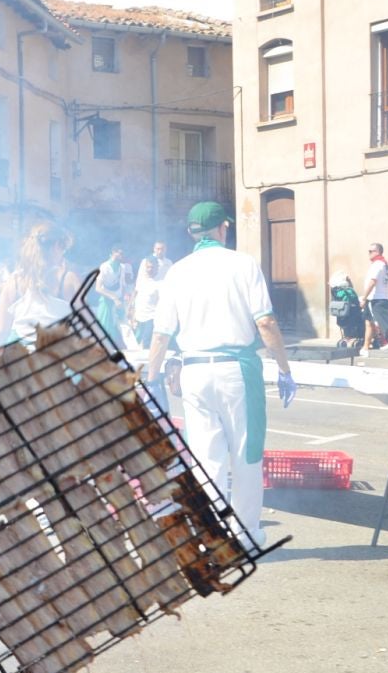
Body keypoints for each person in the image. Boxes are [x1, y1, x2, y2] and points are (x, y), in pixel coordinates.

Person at [144, 202, 294, 548]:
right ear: (223, 229)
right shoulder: (243, 264)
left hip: (194, 372)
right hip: (236, 370)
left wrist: (152, 378)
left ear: (191, 233)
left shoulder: (177, 271)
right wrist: (284, 368)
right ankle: (246, 536)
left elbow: (161, 334)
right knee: (245, 455)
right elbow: (266, 322)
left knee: (205, 459)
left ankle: (208, 536)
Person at [0, 222, 78, 348]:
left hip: (20, 355)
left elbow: (1, 328)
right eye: (64, 248)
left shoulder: (14, 281)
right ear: (56, 246)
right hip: (56, 354)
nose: (63, 254)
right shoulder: (68, 279)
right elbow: (85, 323)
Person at [363, 243, 388, 354]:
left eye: (371, 251)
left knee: (386, 325)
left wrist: (364, 298)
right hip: (380, 297)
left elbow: (373, 281)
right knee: (369, 323)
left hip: (375, 299)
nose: (369, 253)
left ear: (378, 252)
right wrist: (387, 295)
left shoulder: (377, 265)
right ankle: (365, 348)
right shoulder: (386, 266)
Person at [132, 241, 170, 346]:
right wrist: (131, 308)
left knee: (147, 340)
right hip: (141, 311)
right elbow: (137, 288)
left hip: (155, 312)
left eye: (162, 249)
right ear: (154, 249)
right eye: (158, 249)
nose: (160, 251)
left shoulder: (168, 264)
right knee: (137, 340)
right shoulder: (145, 263)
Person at [93, 244, 129, 343]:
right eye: (119, 253)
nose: (121, 256)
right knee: (103, 328)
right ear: (113, 253)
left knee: (121, 328)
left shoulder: (122, 267)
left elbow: (122, 285)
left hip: (118, 302)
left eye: (123, 254)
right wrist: (113, 297)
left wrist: (124, 299)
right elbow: (98, 288)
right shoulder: (105, 266)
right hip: (106, 301)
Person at [328, 274, 366, 349]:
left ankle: (347, 337)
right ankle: (355, 337)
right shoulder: (349, 291)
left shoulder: (335, 291)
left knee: (347, 324)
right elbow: (355, 302)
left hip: (342, 316)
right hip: (353, 314)